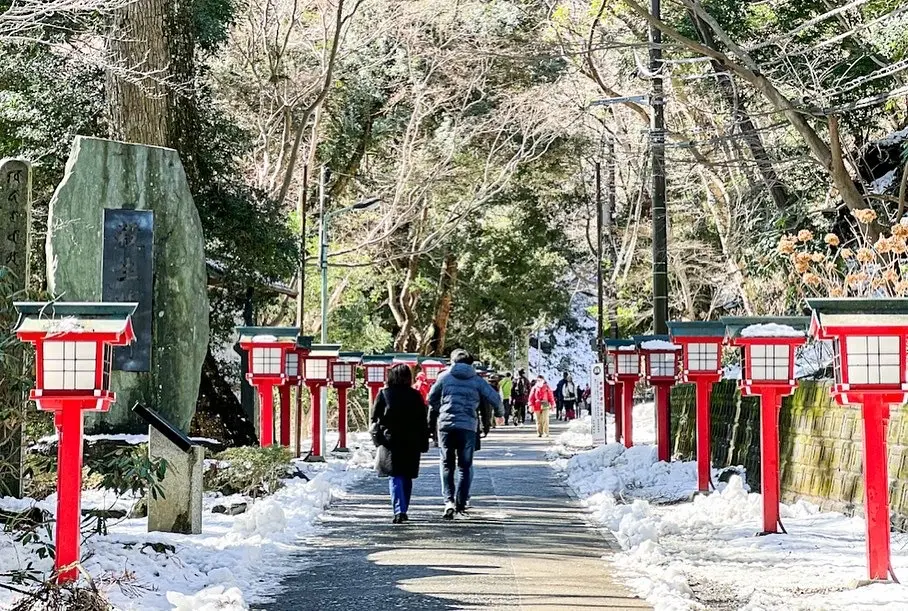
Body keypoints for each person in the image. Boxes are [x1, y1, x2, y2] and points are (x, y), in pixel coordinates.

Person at [428, 349, 501, 519]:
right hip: (467, 426)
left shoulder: (444, 377)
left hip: (446, 426)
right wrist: (499, 414)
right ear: (471, 363)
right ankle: (461, 504)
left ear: (453, 362)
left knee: (446, 463)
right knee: (465, 466)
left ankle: (448, 501)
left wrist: (443, 410)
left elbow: (431, 398)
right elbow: (495, 399)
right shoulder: (477, 380)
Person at [370, 364, 430, 524]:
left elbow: (374, 417)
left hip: (390, 441)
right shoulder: (416, 395)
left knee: (395, 476)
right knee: (407, 476)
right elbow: (423, 421)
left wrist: (378, 436)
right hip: (412, 440)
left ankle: (399, 510)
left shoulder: (384, 394)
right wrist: (424, 442)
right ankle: (404, 509)